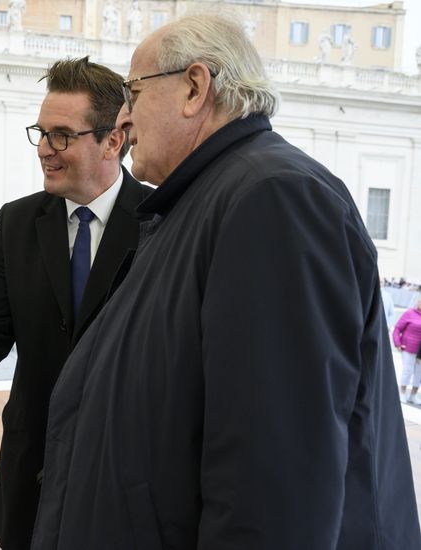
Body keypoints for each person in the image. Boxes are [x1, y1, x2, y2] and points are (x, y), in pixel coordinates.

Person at [31, 15, 420, 548]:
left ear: (194, 88)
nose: (124, 116)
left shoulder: (272, 199)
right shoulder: (208, 199)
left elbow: (273, 488)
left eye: (133, 92)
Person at [0, 56, 149, 548]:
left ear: (113, 140)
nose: (44, 149)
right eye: (40, 133)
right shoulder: (18, 222)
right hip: (33, 470)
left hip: (124, 475)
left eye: (62, 134)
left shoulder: (161, 224)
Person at [394, 298, 421, 404]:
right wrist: (397, 343)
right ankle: (402, 392)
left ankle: (413, 395)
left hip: (420, 351)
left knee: (419, 374)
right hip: (408, 348)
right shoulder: (409, 313)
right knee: (407, 371)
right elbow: (397, 328)